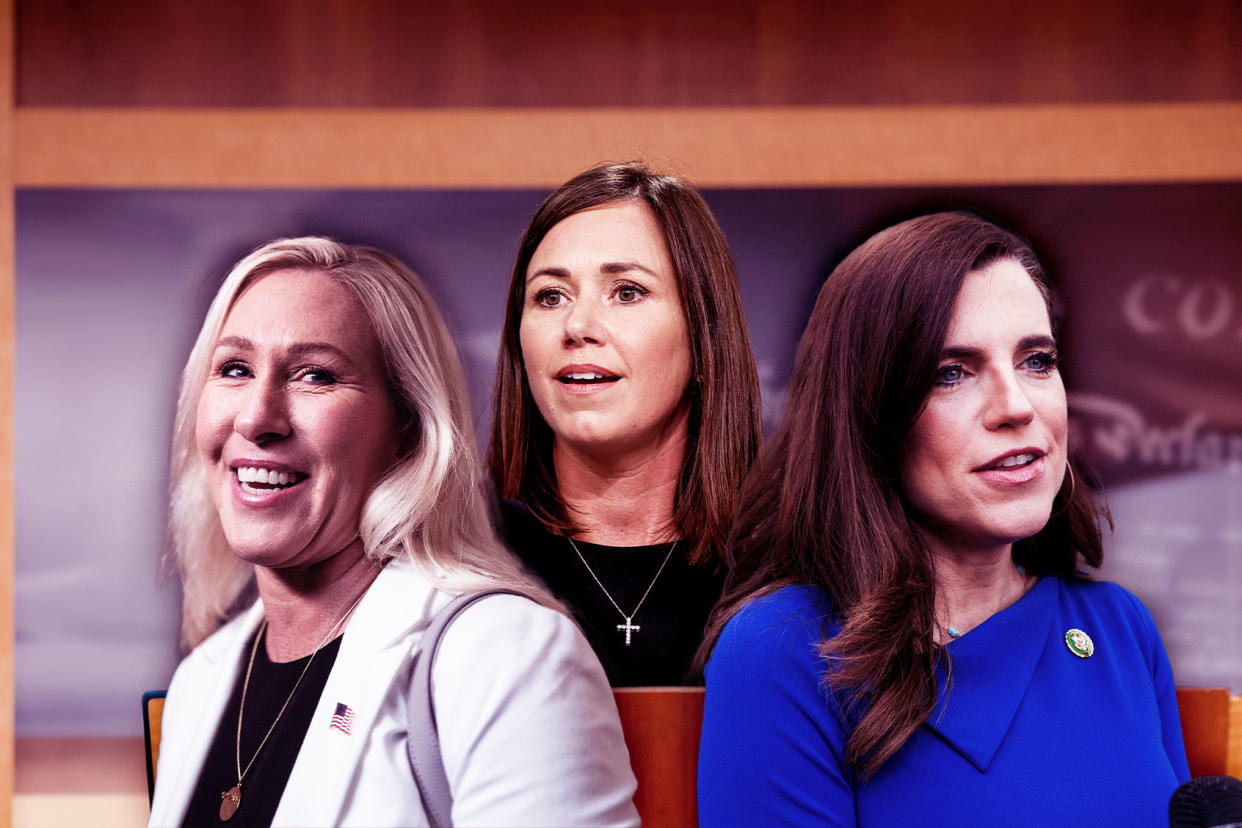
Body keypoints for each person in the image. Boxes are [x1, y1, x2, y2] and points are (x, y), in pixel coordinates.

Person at [697, 213, 1190, 826]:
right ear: (868, 416)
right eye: (950, 373)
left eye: (1037, 360)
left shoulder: (1120, 628)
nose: (1015, 406)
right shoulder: (781, 648)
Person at [148, 237, 638, 827]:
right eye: (233, 369)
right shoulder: (203, 681)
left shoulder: (507, 655)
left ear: (408, 430)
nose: (255, 418)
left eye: (315, 376)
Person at [488, 162, 762, 686]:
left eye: (627, 291)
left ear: (704, 333)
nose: (578, 326)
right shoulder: (458, 569)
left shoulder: (789, 572)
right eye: (550, 296)